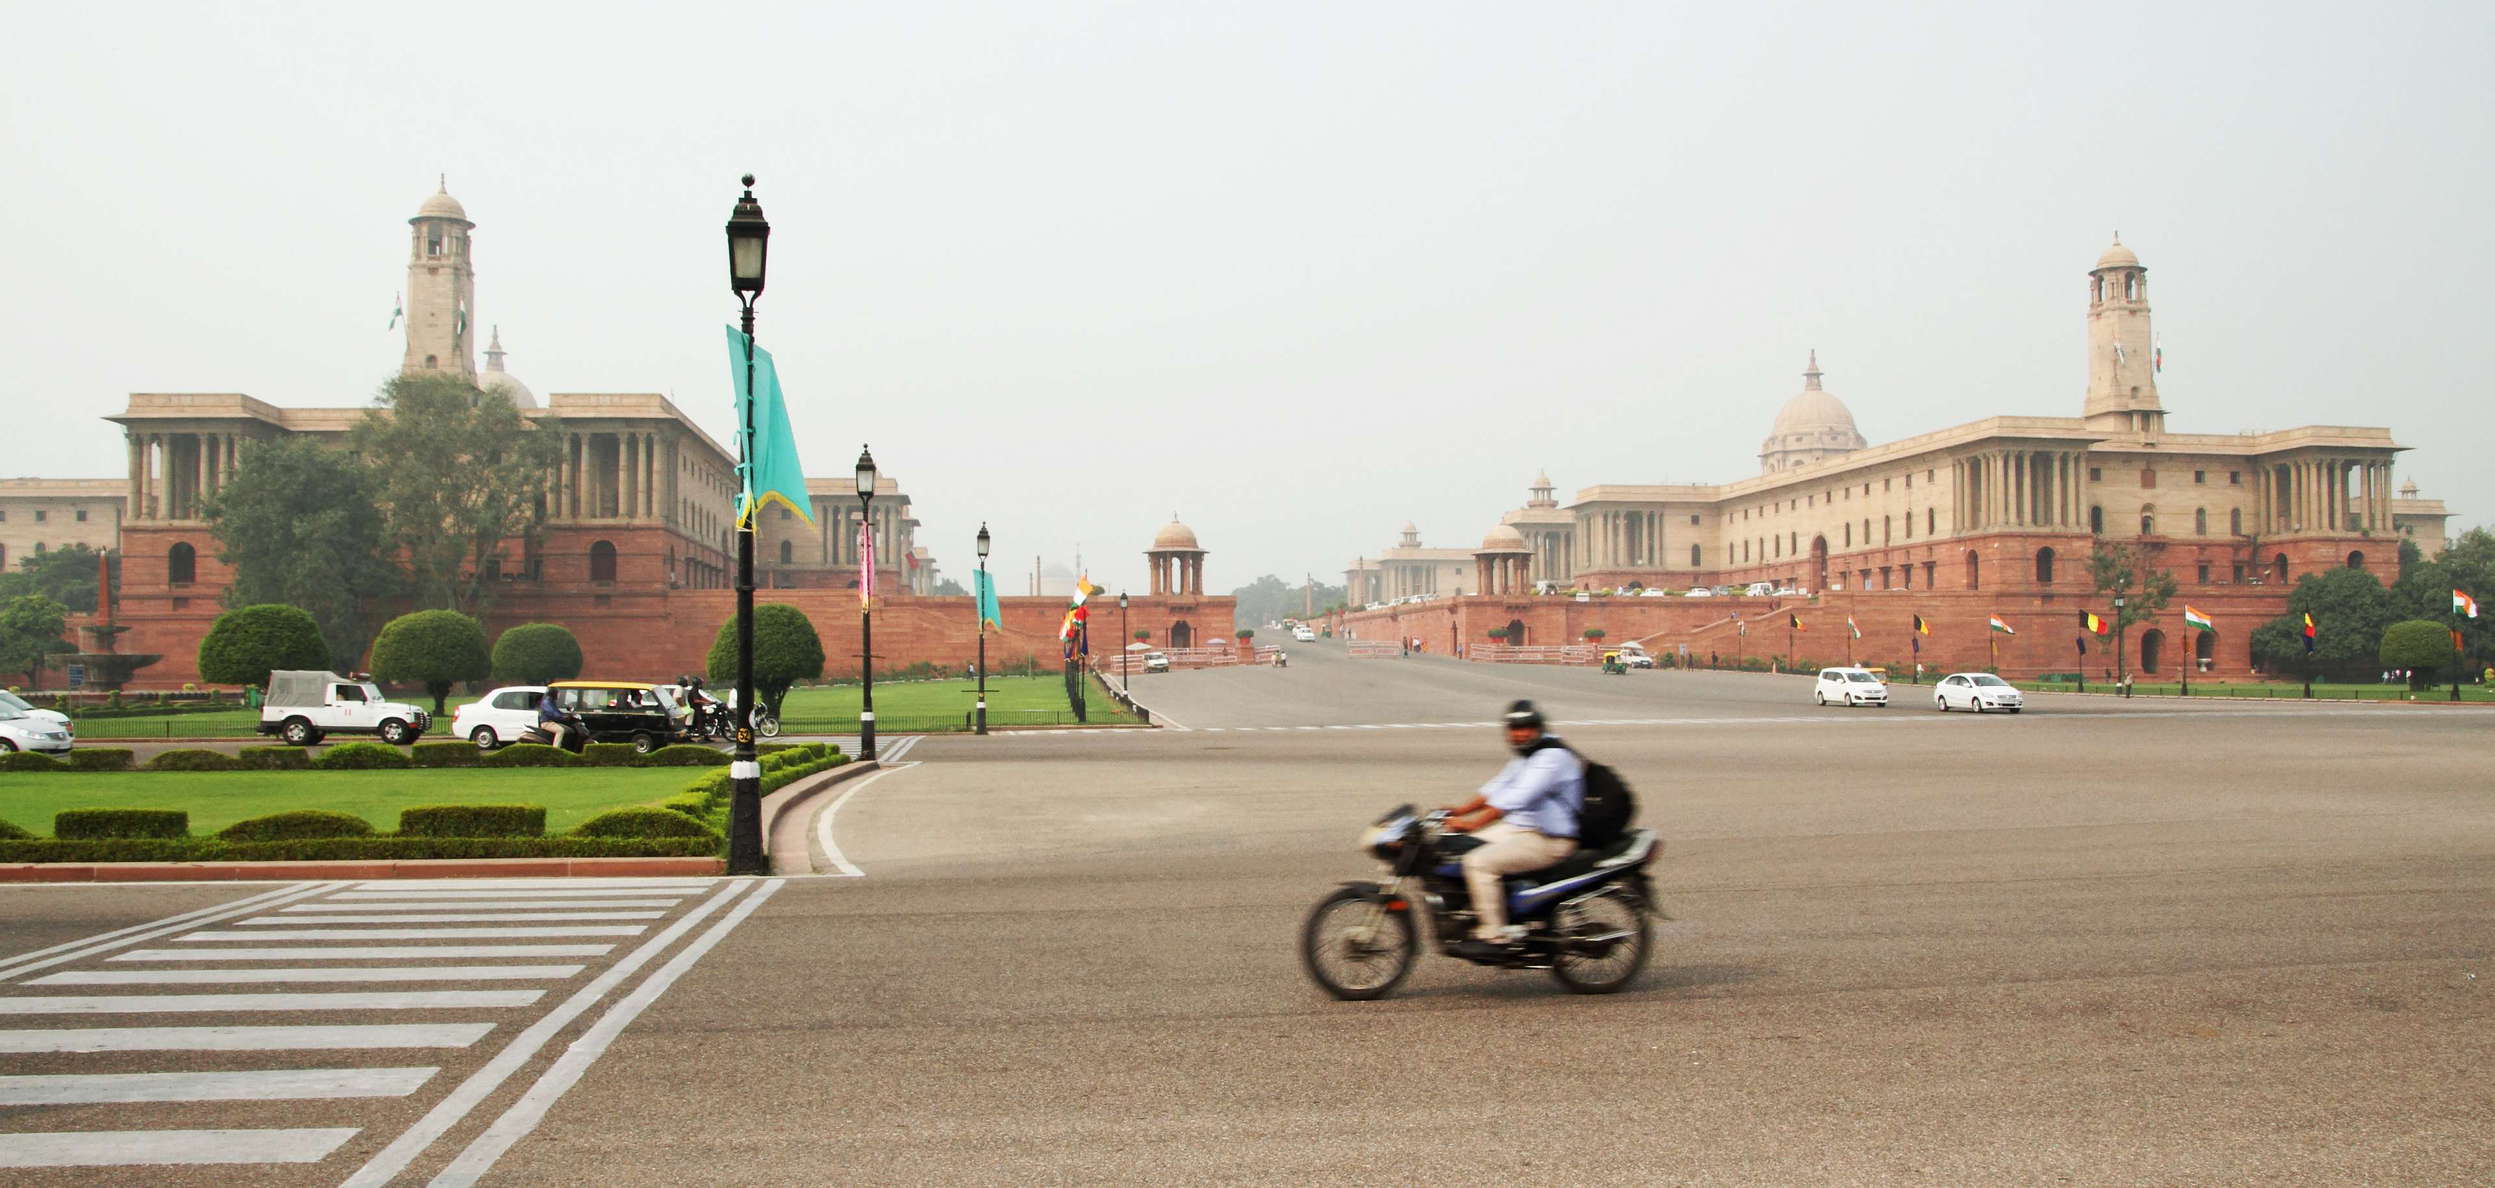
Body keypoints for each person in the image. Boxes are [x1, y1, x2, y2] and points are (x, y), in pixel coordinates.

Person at [1438, 700, 1583, 959]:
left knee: (1478, 862)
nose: (1520, 733)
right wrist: (1460, 811)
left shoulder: (1551, 757)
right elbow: (1498, 786)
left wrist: (1474, 822)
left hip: (1550, 839)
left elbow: (1518, 797)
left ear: (1538, 727)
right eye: (1515, 728)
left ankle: (1495, 935)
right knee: (1456, 846)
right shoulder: (1529, 753)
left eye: (1527, 727)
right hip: (1521, 829)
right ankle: (1490, 908)